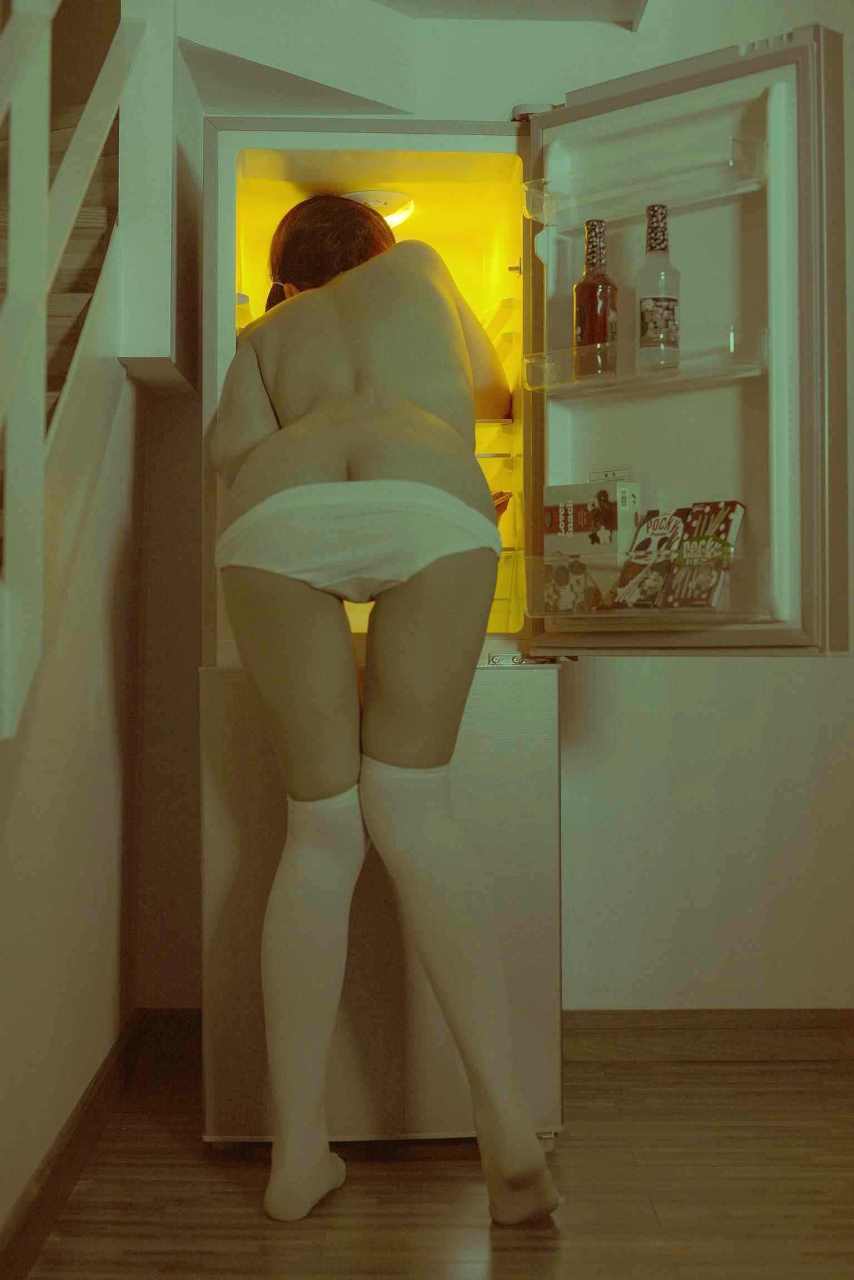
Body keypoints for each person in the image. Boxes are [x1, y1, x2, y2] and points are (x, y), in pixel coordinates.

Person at [207, 194, 561, 1226]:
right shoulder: (421, 267)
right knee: (414, 810)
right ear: (379, 244)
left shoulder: (262, 335)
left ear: (284, 274)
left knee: (318, 829)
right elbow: (498, 388)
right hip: (426, 493)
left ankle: (296, 1154)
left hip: (278, 512)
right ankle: (504, 1123)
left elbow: (230, 456)